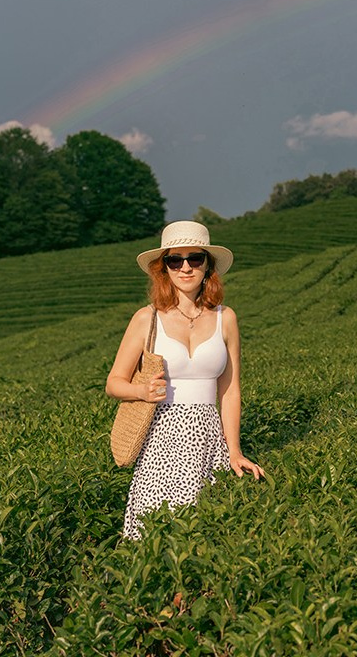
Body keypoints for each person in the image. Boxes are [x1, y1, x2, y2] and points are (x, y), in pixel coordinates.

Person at [106, 220, 264, 539]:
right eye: (175, 260)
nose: (186, 267)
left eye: (195, 258)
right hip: (160, 441)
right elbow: (113, 383)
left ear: (208, 266)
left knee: (207, 534)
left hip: (210, 439)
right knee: (156, 534)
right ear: (163, 268)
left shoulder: (226, 318)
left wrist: (234, 450)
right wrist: (141, 390)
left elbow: (230, 390)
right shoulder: (146, 319)